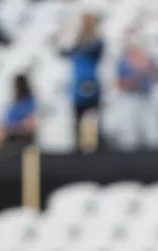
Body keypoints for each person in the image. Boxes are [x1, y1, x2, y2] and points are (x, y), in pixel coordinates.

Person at [63, 13, 104, 149]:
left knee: (92, 115)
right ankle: (79, 146)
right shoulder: (78, 45)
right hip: (78, 84)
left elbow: (96, 47)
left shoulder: (95, 43)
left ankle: (95, 145)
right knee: (78, 117)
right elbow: (65, 52)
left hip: (90, 81)